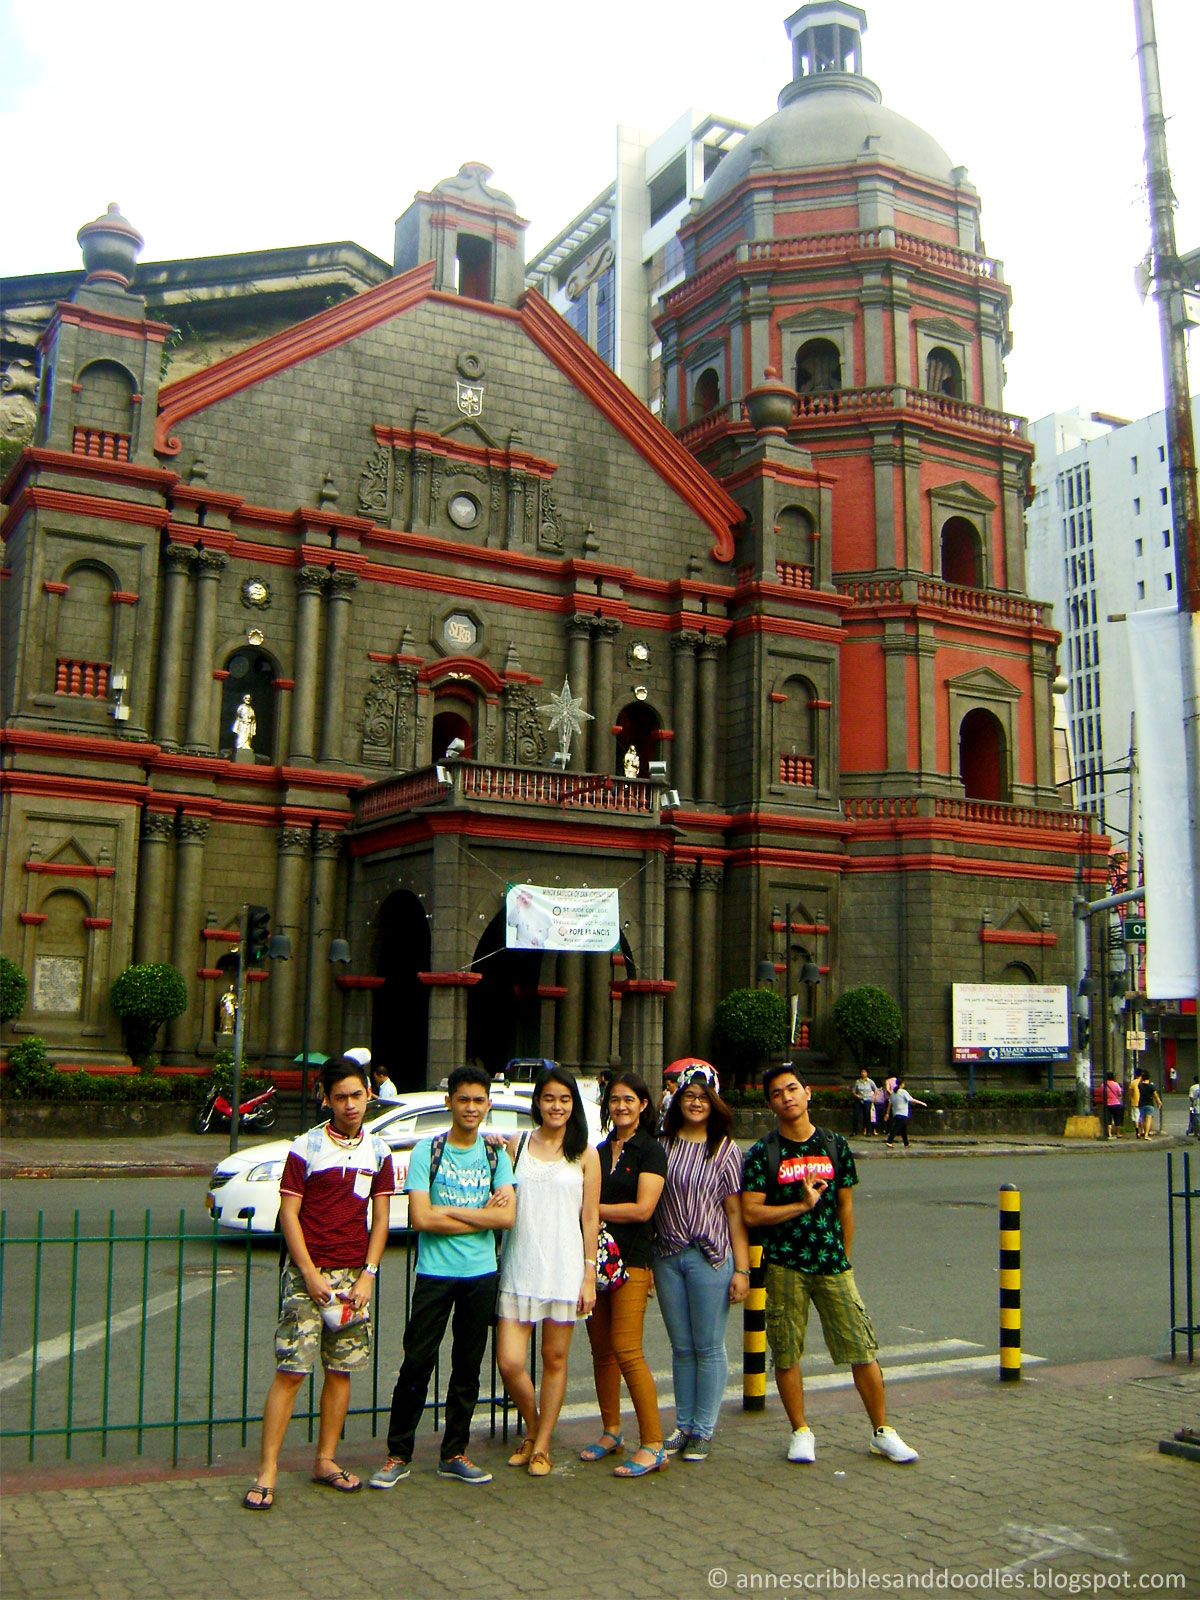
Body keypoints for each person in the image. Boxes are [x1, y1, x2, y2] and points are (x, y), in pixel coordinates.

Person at [742, 1063, 918, 1466]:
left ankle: (882, 1430)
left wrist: (844, 1256)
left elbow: (846, 1207)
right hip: (785, 1264)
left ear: (808, 1093)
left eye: (792, 1089)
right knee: (786, 1352)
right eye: (776, 1093)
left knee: (862, 1348)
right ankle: (801, 1431)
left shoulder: (835, 1145)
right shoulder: (762, 1153)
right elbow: (751, 1213)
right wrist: (798, 1206)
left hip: (833, 1265)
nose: (786, 1097)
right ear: (770, 1105)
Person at [243, 1055, 394, 1509]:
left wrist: (368, 1274)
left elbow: (382, 1217)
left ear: (370, 1094)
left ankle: (325, 1459)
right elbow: (288, 1213)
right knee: (291, 1370)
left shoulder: (379, 1152)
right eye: (341, 1097)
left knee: (341, 1370)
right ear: (325, 1099)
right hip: (308, 1275)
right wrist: (308, 1273)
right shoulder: (304, 1148)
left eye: (358, 1095)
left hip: (354, 1277)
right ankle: (267, 1470)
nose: (351, 1105)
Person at [370, 1065, 515, 1488]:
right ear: (449, 1101)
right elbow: (420, 1217)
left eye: (478, 1100)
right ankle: (398, 1454)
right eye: (463, 1099)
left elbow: (506, 1216)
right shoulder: (426, 1151)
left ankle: (454, 1452)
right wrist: (480, 1217)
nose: (471, 1108)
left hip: (481, 1274)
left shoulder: (496, 1154)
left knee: (467, 1367)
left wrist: (448, 1211)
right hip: (434, 1273)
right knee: (416, 1363)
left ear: (488, 1104)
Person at [496, 1064, 600, 1476]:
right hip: (520, 1264)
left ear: (573, 1105)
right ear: (537, 1102)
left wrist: (589, 1273)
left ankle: (539, 1446)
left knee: (554, 1358)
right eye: (549, 1098)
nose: (556, 1106)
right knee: (510, 1362)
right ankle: (537, 1426)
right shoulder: (517, 1145)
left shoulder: (585, 1153)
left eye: (564, 1099)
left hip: (564, 1265)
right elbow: (502, 1200)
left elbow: (590, 1217)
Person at [653, 1062, 750, 1461]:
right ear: (678, 1099)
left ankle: (704, 1429)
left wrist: (742, 1269)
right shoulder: (662, 1144)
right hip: (667, 1256)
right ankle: (684, 1424)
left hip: (709, 1258)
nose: (695, 1103)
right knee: (681, 1347)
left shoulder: (726, 1150)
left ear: (714, 1103)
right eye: (689, 1096)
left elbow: (734, 1214)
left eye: (703, 1097)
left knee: (709, 1346)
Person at [581, 1070, 669, 1477]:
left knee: (627, 1349)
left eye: (629, 1100)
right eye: (614, 1099)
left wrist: (593, 1212)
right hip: (594, 1262)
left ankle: (653, 1442)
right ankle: (611, 1431)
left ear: (643, 1105)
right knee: (601, 1351)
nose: (621, 1106)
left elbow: (642, 1209)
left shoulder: (650, 1151)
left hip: (632, 1259)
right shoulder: (597, 1151)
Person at [885, 1078, 927, 1148]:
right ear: (901, 1084)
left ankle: (906, 1143)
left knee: (903, 1128)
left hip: (895, 1112)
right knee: (897, 1127)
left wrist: (887, 1113)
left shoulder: (893, 1093)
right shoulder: (903, 1092)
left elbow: (890, 1103)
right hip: (903, 1112)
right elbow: (911, 1099)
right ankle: (889, 1141)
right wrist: (922, 1103)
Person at [851, 1067, 878, 1137]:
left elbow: (876, 1090)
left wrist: (873, 1097)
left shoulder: (870, 1082)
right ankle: (855, 1131)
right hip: (859, 1099)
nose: (863, 1073)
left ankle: (868, 1131)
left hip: (867, 1099)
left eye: (865, 1072)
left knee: (867, 1115)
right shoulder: (857, 1082)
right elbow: (853, 1091)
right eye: (862, 1072)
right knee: (856, 1115)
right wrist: (857, 1095)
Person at [1136, 1068, 1161, 1139]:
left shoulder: (1140, 1086)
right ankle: (1146, 1134)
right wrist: (1159, 1102)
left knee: (1142, 1118)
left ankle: (1142, 1131)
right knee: (1148, 1119)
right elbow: (1155, 1096)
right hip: (1149, 1104)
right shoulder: (1151, 1086)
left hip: (1141, 1103)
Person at [1103, 1072, 1124, 1139]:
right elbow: (1120, 1094)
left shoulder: (1103, 1085)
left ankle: (1109, 1133)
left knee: (1108, 1119)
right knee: (1117, 1119)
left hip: (1108, 1104)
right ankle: (1118, 1133)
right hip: (1116, 1103)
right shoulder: (1116, 1084)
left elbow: (1102, 1094)